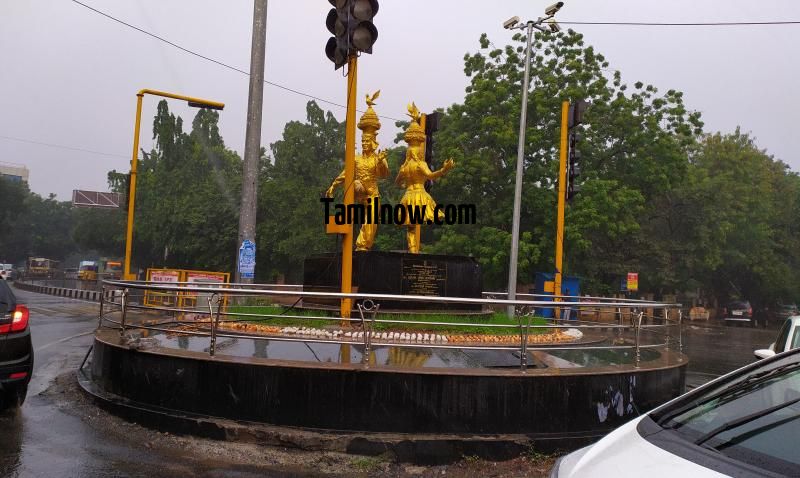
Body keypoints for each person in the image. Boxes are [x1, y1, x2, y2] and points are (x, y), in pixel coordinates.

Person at [326, 91, 389, 251]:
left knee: (372, 219)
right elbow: (345, 174)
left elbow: (384, 175)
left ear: (373, 141)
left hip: (372, 193)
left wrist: (381, 162)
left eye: (366, 141)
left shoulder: (378, 157)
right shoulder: (357, 158)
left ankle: (362, 245)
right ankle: (345, 221)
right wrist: (333, 186)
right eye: (362, 141)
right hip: (359, 189)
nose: (364, 143)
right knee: (353, 184)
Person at [395, 102, 455, 253]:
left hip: (408, 196)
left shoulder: (405, 167)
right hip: (420, 194)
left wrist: (404, 186)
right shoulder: (420, 164)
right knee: (416, 223)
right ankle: (414, 250)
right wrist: (443, 170)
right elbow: (430, 176)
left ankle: (413, 249)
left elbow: (397, 183)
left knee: (411, 226)